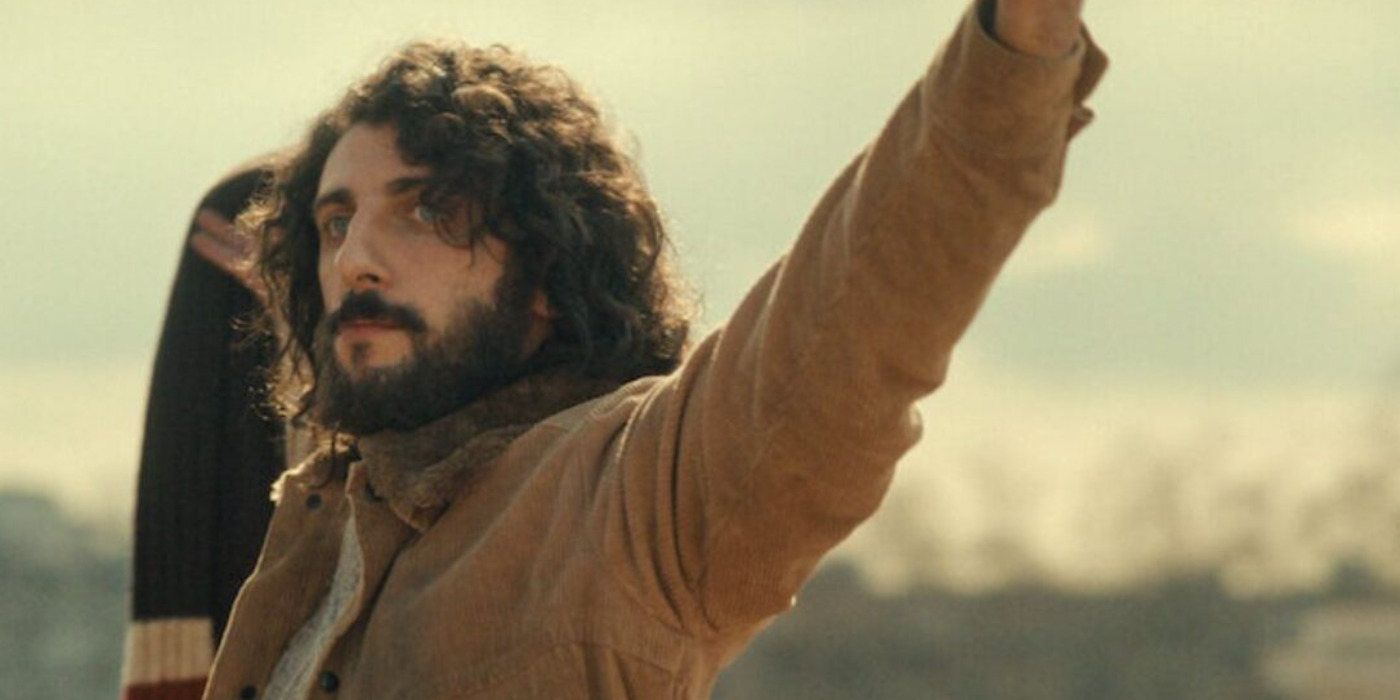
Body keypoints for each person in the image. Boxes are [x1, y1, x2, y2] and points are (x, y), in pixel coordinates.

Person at [200, 0, 1107, 697]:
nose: (353, 258)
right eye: (335, 222)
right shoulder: (318, 535)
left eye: (428, 209)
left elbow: (851, 316)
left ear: (547, 274)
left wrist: (1015, 52)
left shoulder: (631, 499)